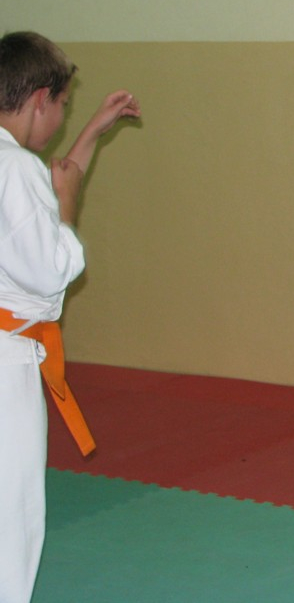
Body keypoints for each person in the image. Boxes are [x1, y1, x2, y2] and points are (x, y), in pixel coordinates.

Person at [0, 31, 140, 603]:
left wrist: (92, 132)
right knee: (12, 517)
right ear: (40, 100)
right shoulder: (15, 169)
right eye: (62, 105)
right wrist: (69, 206)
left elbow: (49, 185)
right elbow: (49, 270)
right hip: (7, 363)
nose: (61, 117)